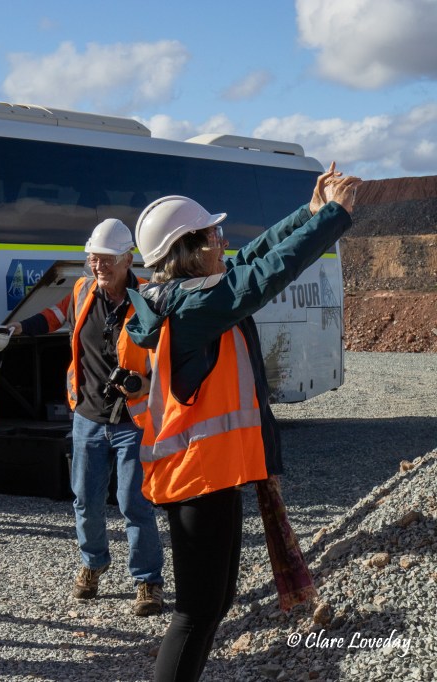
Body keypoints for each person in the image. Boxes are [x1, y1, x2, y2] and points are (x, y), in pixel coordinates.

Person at [119, 164, 360, 681]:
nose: (223, 242)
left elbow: (252, 258)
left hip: (211, 474)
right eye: (213, 236)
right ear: (188, 249)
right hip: (197, 477)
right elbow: (264, 275)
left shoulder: (189, 296)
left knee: (215, 602)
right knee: (196, 610)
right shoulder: (190, 307)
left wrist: (309, 213)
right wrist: (334, 217)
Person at [7, 218, 165, 616]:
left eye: (107, 259)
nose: (99, 266)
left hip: (132, 420)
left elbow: (167, 354)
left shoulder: (148, 297)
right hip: (89, 417)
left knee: (134, 502)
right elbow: (53, 315)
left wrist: (146, 384)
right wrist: (16, 329)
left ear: (128, 259)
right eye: (94, 258)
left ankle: (147, 580)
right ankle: (93, 563)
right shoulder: (82, 291)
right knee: (86, 500)